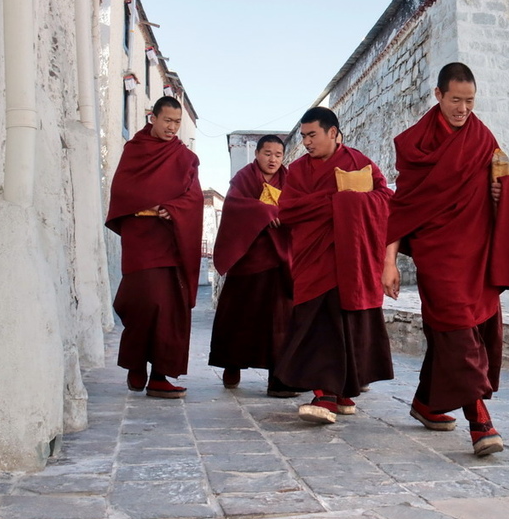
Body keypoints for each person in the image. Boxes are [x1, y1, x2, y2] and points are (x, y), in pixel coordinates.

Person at [382, 62, 509, 456]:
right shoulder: (415, 144)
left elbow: (504, 180)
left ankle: (426, 403)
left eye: (469, 101)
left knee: (458, 330)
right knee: (456, 327)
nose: (463, 109)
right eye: (456, 100)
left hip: (476, 250)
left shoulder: (481, 135)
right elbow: (403, 206)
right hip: (438, 252)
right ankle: (479, 420)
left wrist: (508, 193)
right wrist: (390, 262)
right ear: (438, 95)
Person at [274, 107, 394, 424]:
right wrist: (337, 198)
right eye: (303, 136)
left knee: (345, 324)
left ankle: (339, 392)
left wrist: (348, 202)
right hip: (314, 258)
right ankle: (324, 392)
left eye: (312, 135)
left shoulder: (360, 164)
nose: (307, 142)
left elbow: (385, 200)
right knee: (317, 325)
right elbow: (287, 211)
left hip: (352, 257)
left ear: (333, 133)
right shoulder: (298, 170)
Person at [105, 96, 203, 399]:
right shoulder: (135, 150)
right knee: (142, 303)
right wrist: (144, 206)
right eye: (167, 121)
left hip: (171, 240)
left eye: (177, 122)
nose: (172, 127)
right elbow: (123, 188)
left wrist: (173, 208)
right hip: (141, 239)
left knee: (170, 308)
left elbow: (194, 197)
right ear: (153, 118)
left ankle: (160, 375)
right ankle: (136, 365)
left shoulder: (185, 158)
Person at [208, 134, 298, 397]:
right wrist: (265, 212)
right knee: (238, 316)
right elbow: (235, 206)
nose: (272, 159)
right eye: (267, 153)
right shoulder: (244, 179)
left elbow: (296, 205)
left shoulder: (289, 179)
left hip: (279, 259)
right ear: (257, 154)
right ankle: (232, 364)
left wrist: (281, 213)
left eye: (278, 155)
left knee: (280, 320)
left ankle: (278, 376)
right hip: (248, 259)